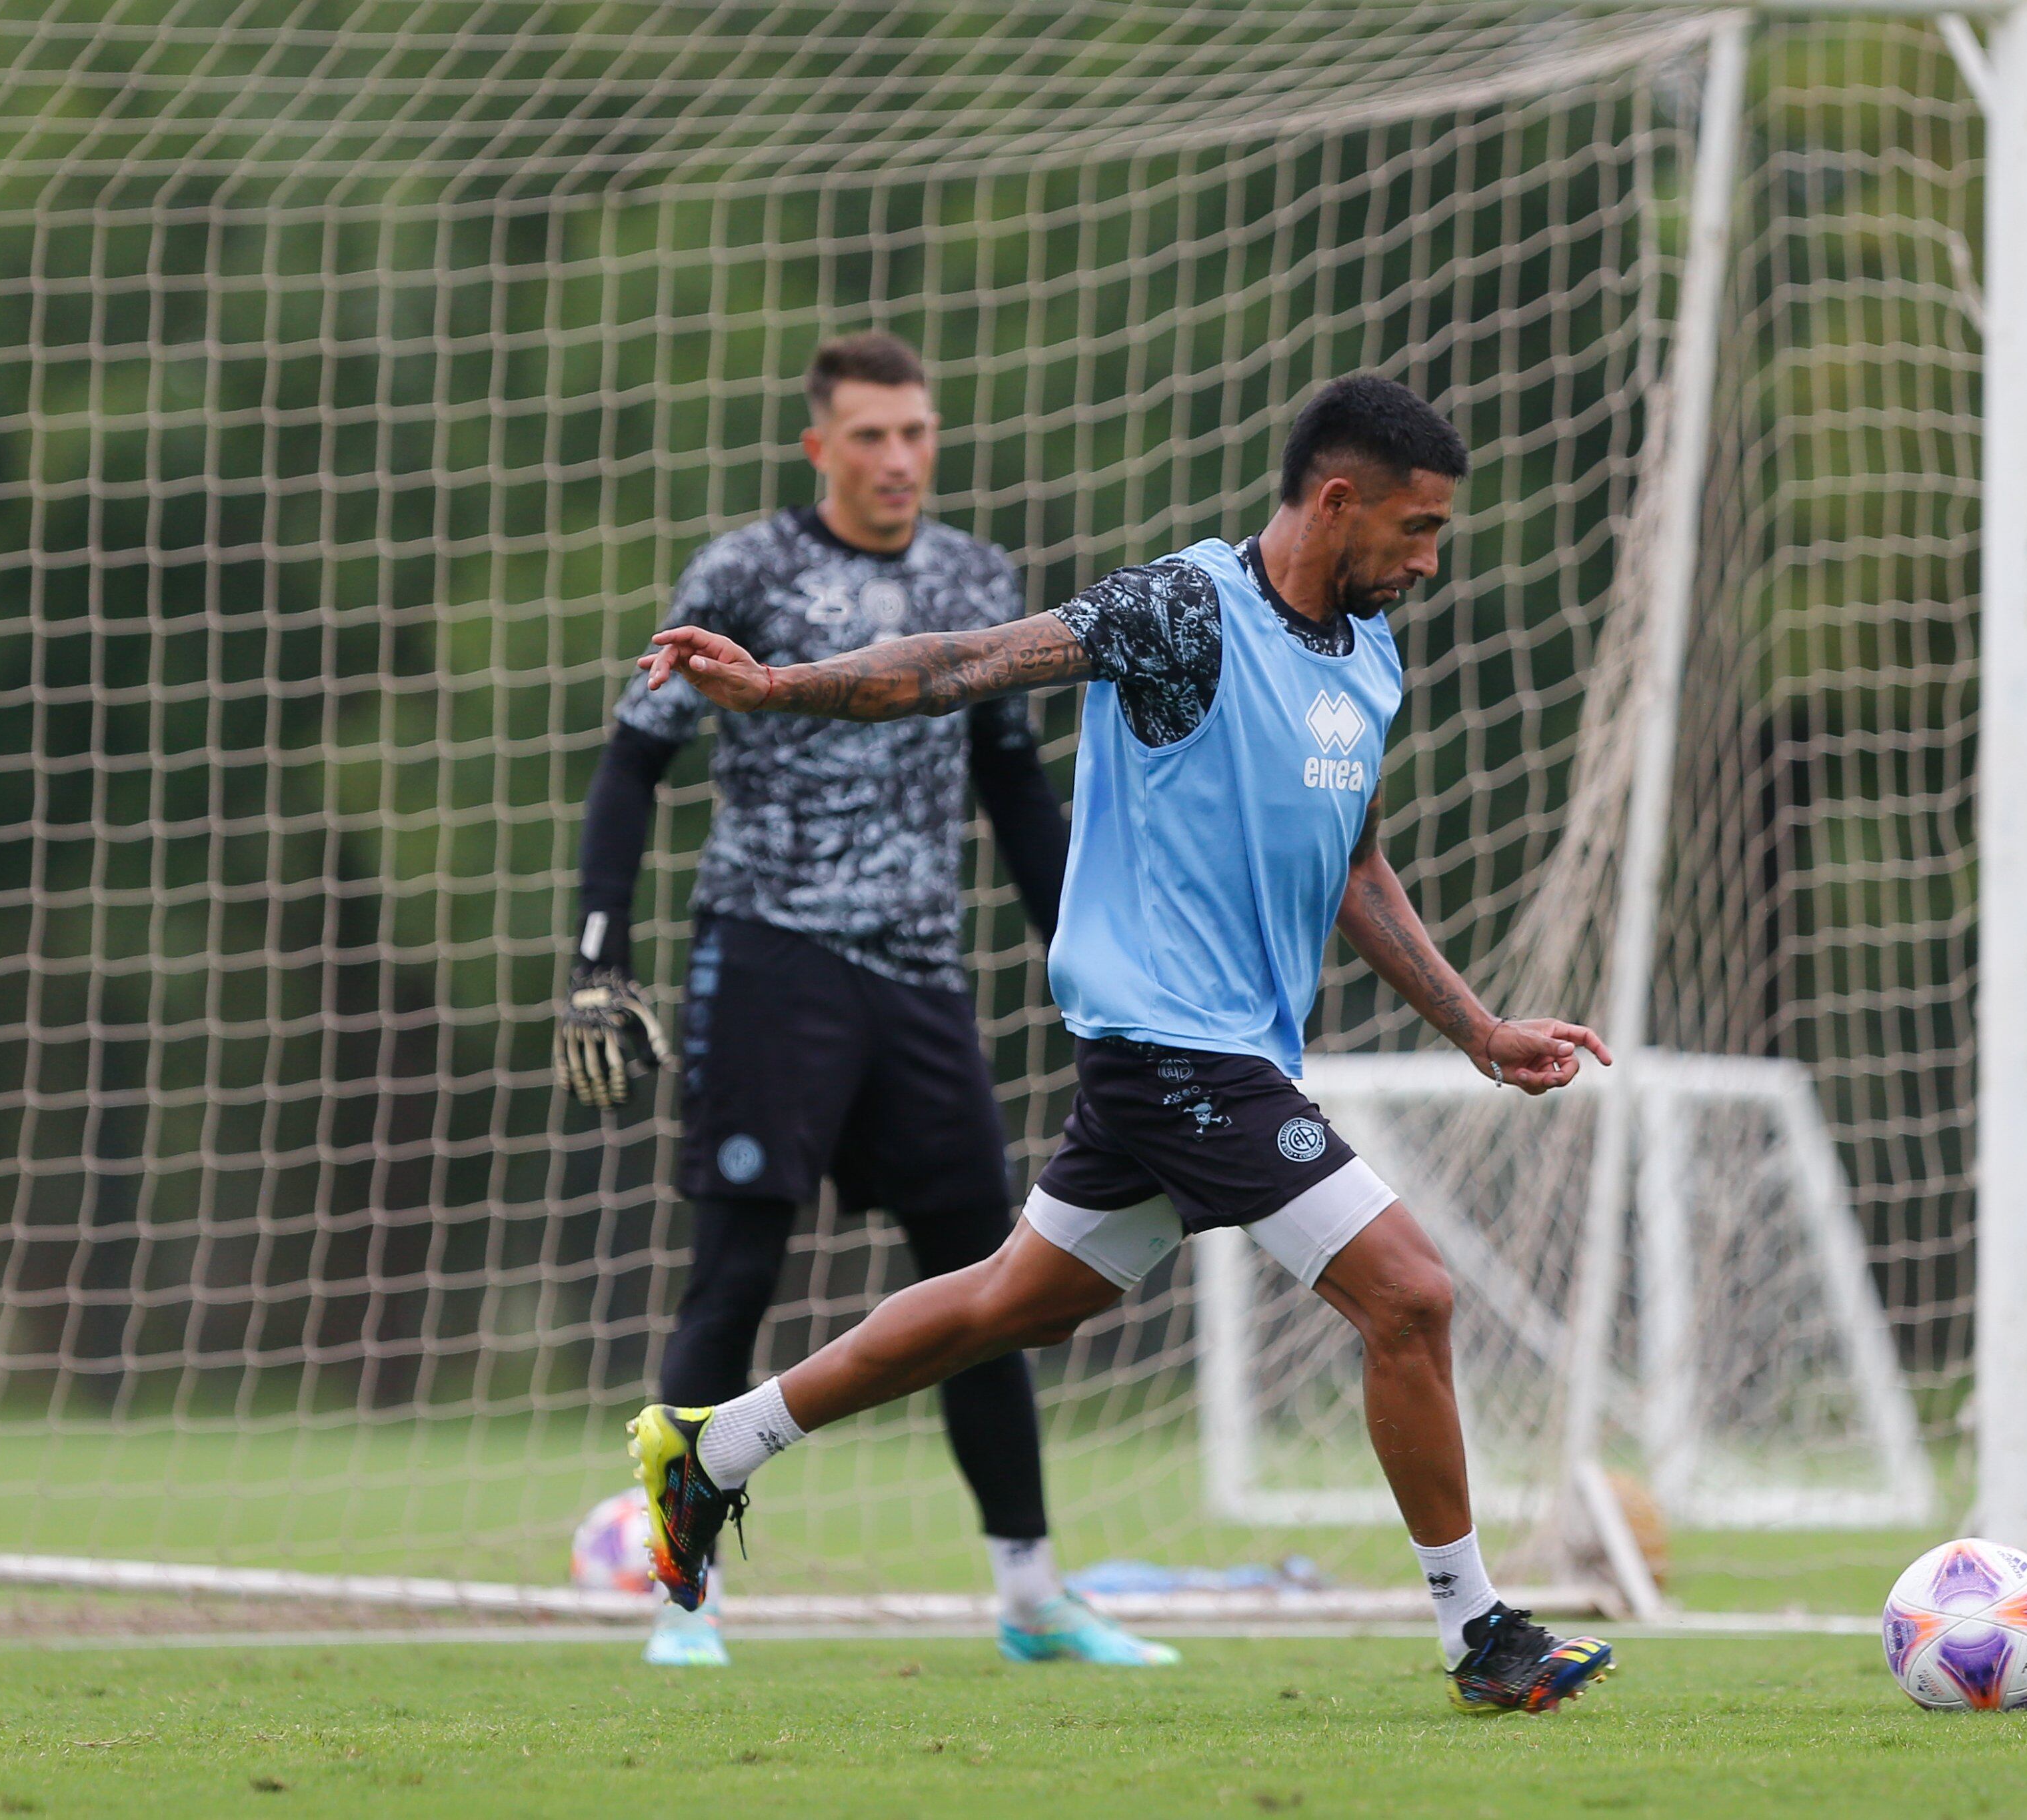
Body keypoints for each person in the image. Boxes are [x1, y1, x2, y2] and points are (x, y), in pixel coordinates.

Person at [625, 373, 1618, 1715]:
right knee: (1410, 1294)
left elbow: (1357, 867)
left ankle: (712, 1447)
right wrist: (778, 684)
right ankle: (1477, 1630)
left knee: (1003, 1304)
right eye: (1415, 528)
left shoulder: (1368, 646)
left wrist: (1480, 1029)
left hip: (1231, 1057)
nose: (1429, 559)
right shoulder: (1178, 612)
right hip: (1167, 1051)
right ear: (1336, 501)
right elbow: (959, 661)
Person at [555, 330, 1172, 1668]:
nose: (899, 458)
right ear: (818, 447)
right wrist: (598, 953)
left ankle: (1031, 1597)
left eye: (916, 432)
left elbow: (1012, 788)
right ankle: (686, 1596)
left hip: (919, 985)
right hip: (766, 961)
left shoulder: (973, 575)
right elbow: (629, 764)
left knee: (995, 1286)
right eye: (871, 435)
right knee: (737, 1269)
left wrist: (1095, 955)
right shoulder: (745, 571)